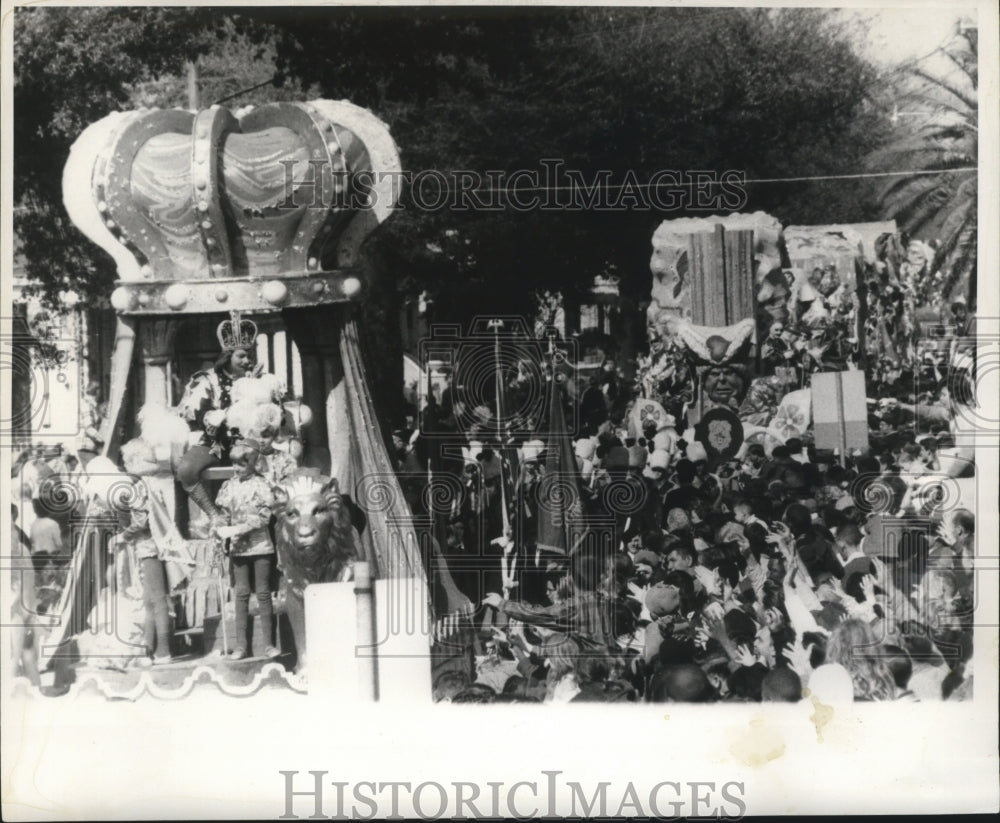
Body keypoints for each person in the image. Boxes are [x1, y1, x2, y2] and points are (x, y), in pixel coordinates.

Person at [177, 311, 262, 519]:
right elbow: (200, 413)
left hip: (250, 441)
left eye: (249, 355)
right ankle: (214, 516)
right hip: (216, 444)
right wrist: (217, 416)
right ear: (227, 356)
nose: (247, 361)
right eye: (241, 356)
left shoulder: (260, 379)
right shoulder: (207, 380)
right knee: (186, 469)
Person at [213, 439, 278, 660]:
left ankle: (269, 644)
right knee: (240, 593)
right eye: (234, 464)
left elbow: (264, 517)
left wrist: (236, 529)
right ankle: (241, 645)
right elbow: (223, 514)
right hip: (239, 549)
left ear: (252, 464)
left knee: (262, 592)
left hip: (260, 546)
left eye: (241, 465)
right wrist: (219, 529)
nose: (236, 469)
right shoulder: (229, 486)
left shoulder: (262, 485)